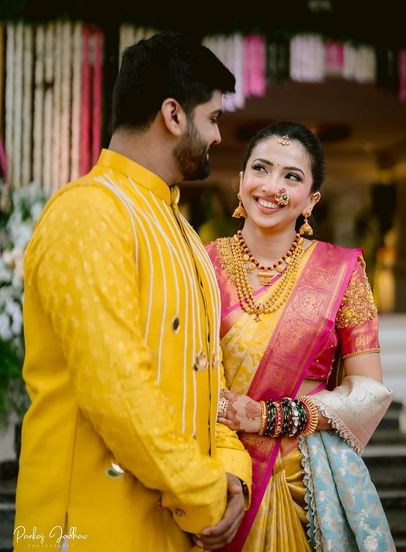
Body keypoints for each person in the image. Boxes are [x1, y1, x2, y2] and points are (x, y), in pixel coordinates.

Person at [13, 32, 252, 552]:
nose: (217, 135)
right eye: (212, 117)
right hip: (94, 530)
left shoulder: (184, 235)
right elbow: (118, 390)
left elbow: (213, 380)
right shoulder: (88, 214)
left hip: (177, 528)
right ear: (172, 114)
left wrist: (233, 473)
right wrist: (207, 492)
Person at [205, 120, 395, 551]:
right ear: (240, 183)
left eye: (291, 176)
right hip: (215, 467)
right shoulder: (201, 264)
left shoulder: (342, 274)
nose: (272, 186)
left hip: (305, 480)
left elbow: (369, 393)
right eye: (261, 168)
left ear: (311, 201)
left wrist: (271, 417)